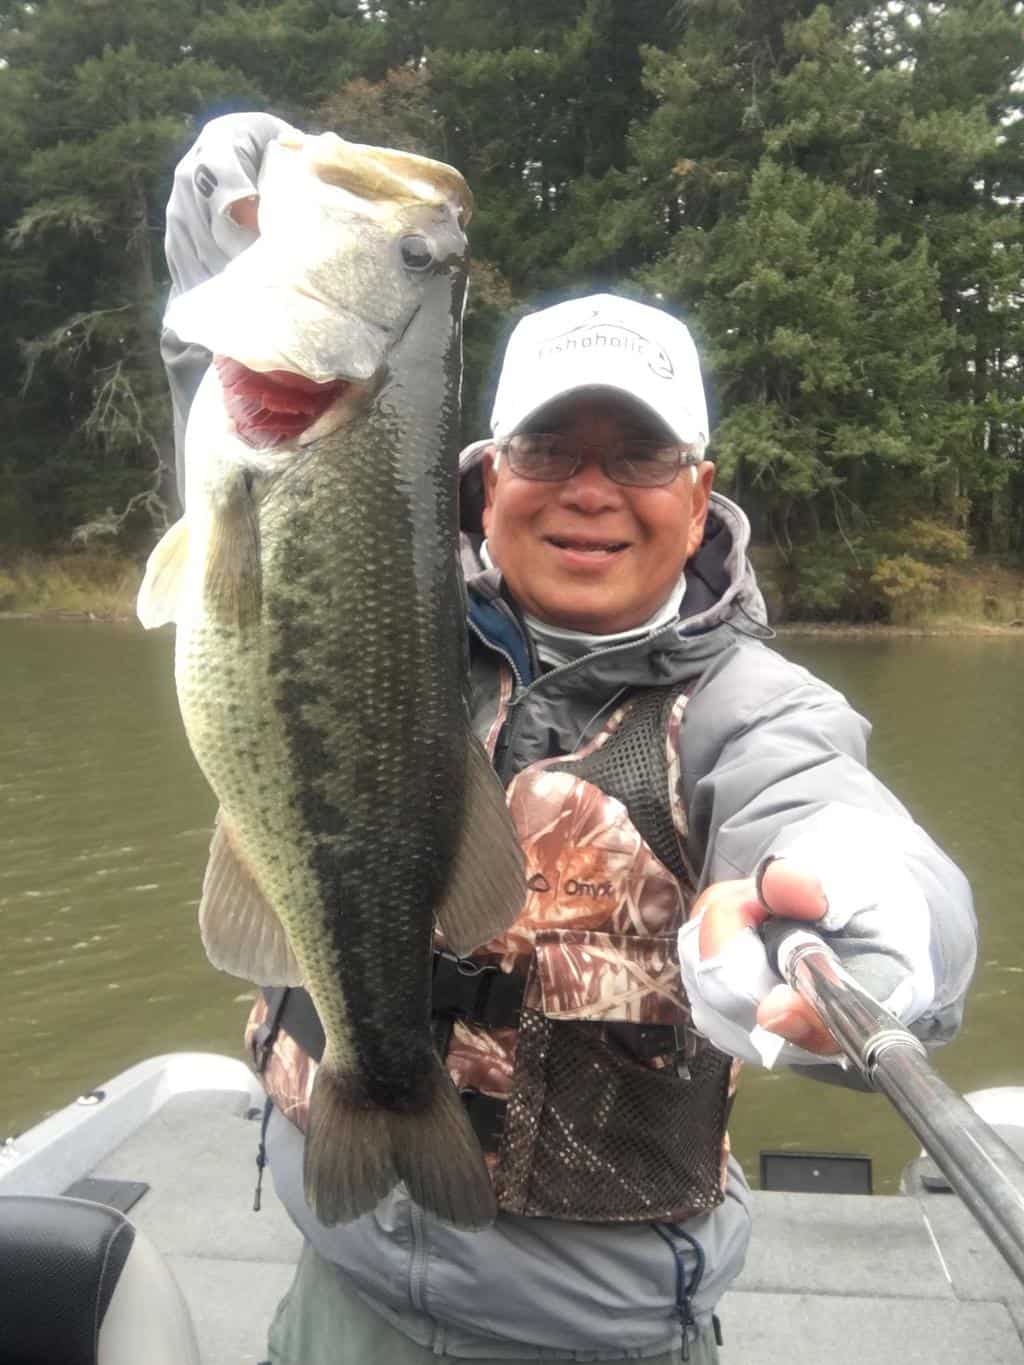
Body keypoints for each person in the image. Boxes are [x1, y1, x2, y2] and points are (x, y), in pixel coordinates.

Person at [232, 290, 976, 1362]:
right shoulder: (371, 631)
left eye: (638, 456)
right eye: (547, 449)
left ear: (698, 490)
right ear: (488, 480)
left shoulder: (751, 709)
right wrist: (225, 232)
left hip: (592, 1337)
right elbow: (244, 443)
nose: (590, 491)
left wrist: (871, 916)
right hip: (337, 1291)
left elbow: (833, 815)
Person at [161, 111, 297, 510]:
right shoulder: (249, 134)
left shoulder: (290, 151)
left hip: (244, 327)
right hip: (211, 335)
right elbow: (229, 191)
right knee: (224, 497)